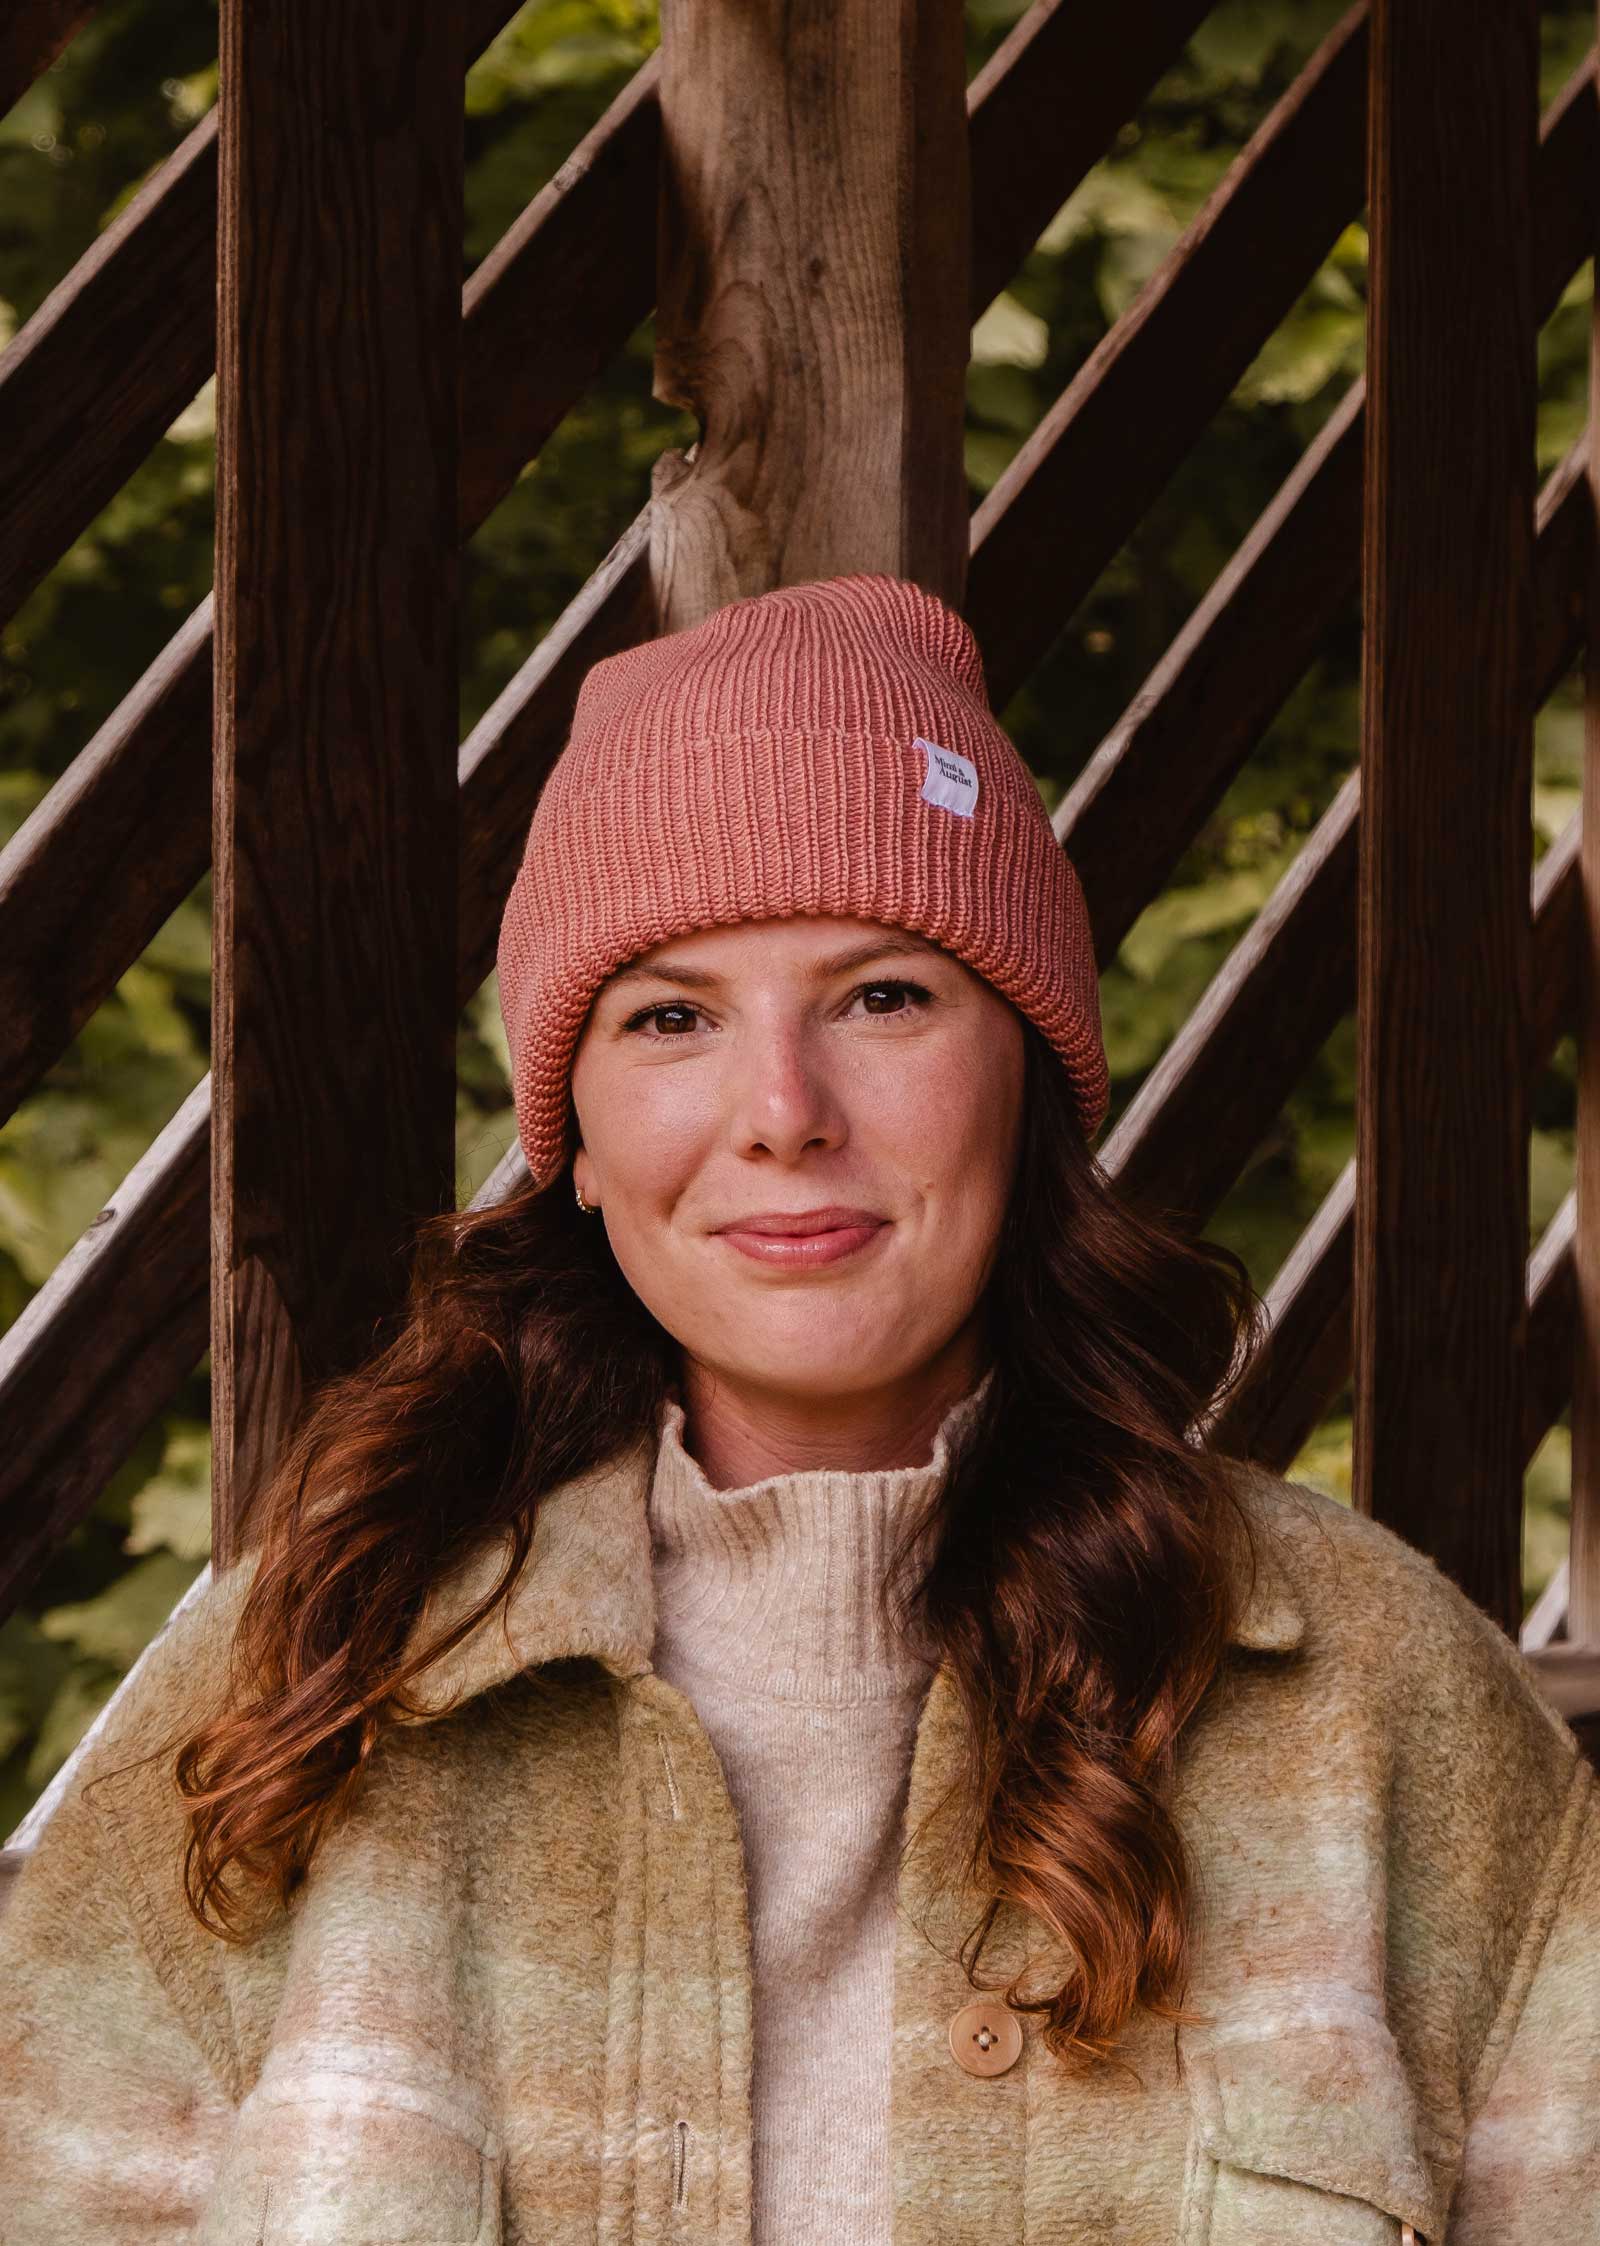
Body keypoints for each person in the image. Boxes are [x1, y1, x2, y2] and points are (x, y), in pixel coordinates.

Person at [0, 572, 1594, 2246]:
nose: (783, 1110)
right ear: (582, 1145)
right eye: (671, 1016)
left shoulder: (1376, 1710)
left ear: (1025, 1078)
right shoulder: (296, 1694)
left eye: (884, 995)